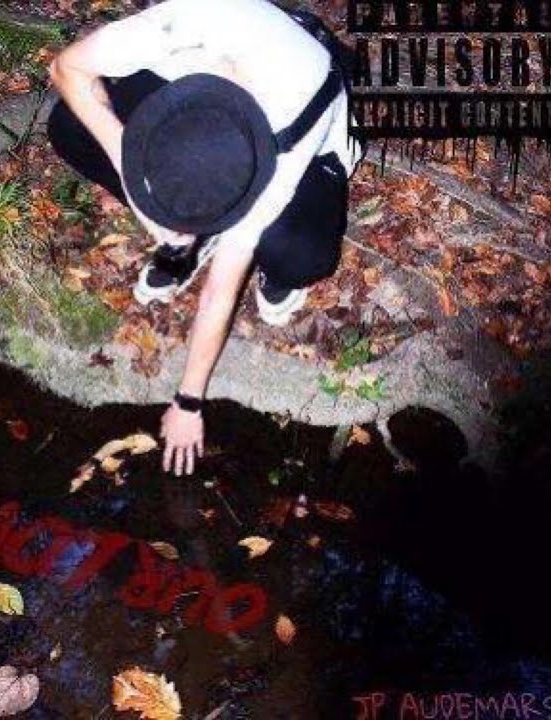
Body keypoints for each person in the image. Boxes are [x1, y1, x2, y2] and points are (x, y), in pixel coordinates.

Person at [47, 0, 362, 476]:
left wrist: (188, 401)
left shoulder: (281, 143)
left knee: (298, 253)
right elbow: (66, 67)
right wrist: (127, 160)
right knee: (70, 126)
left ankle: (257, 261)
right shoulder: (186, 20)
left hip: (312, 142)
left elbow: (220, 291)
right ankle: (192, 235)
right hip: (193, 88)